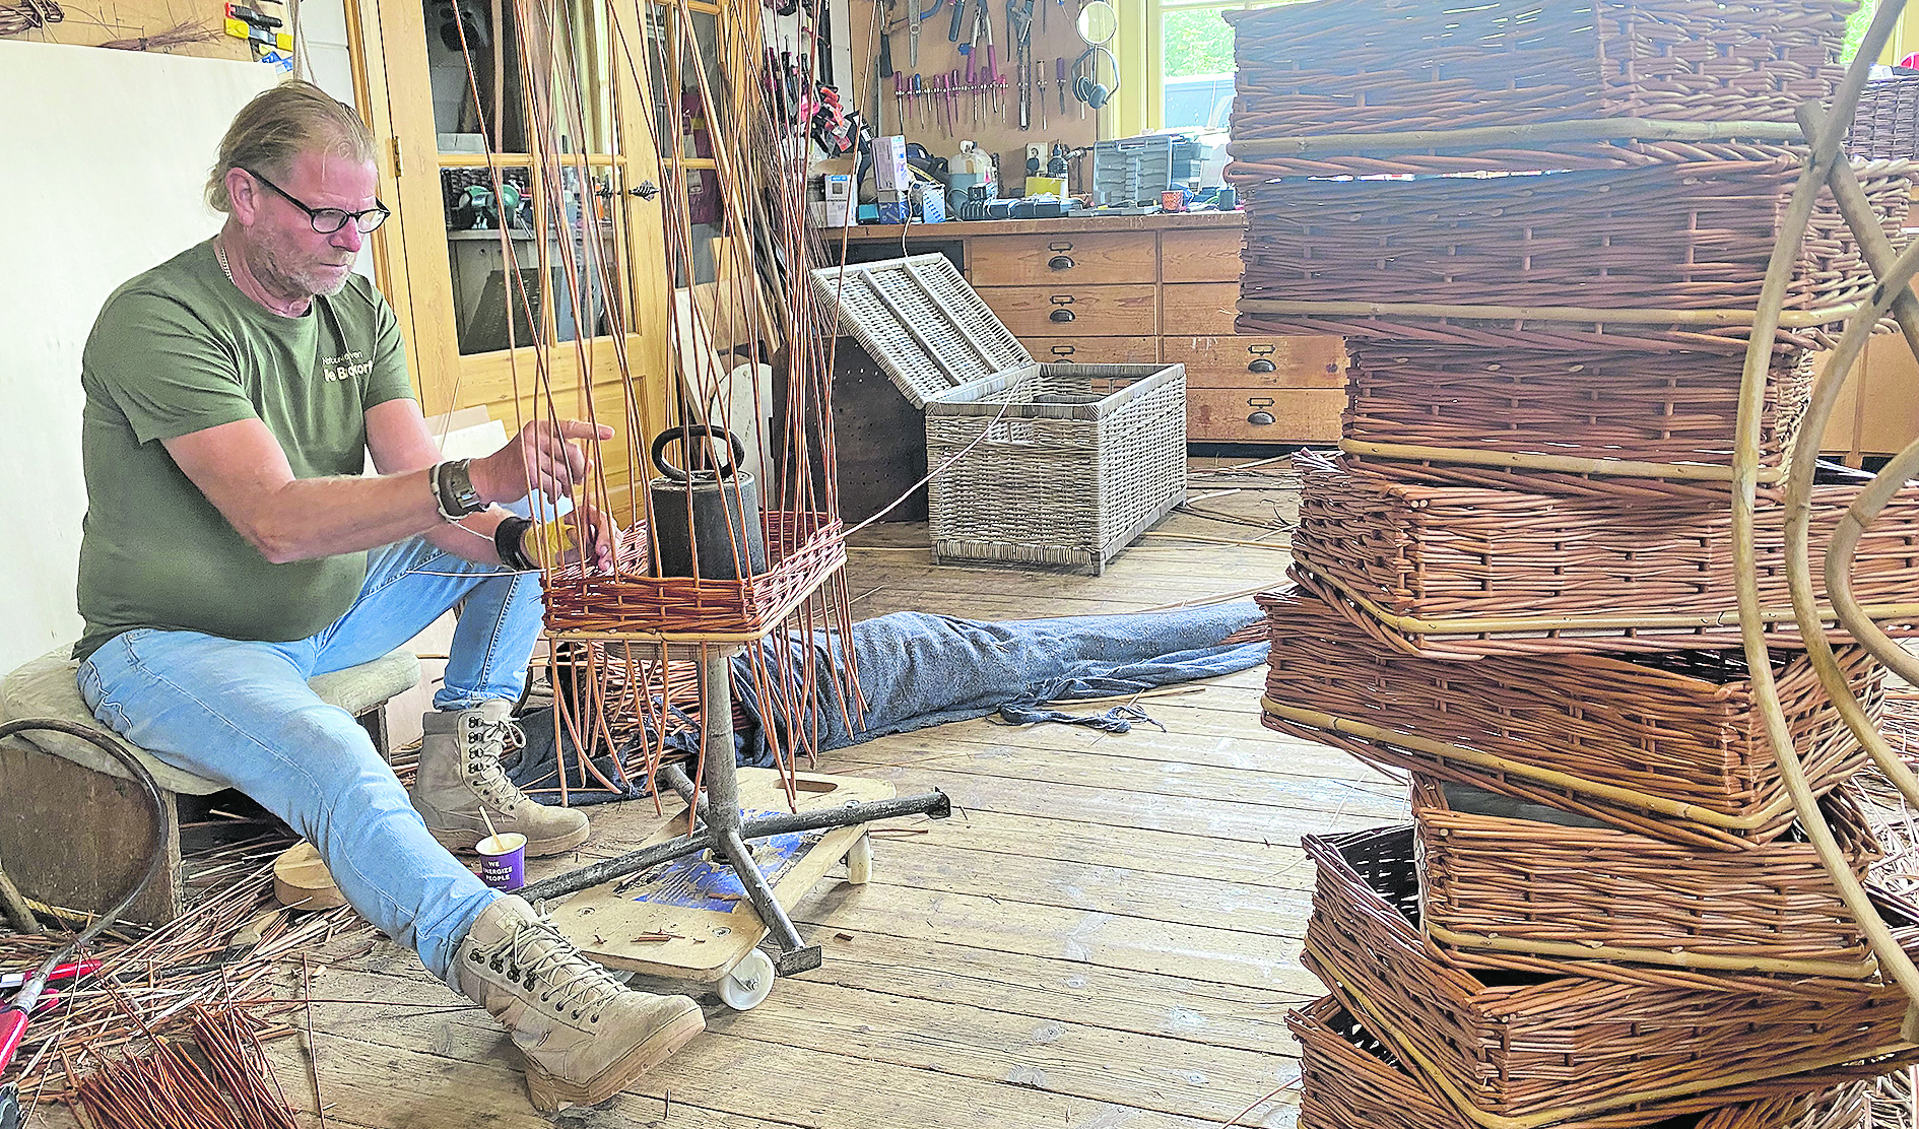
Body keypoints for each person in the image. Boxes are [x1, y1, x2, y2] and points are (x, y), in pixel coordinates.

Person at [70, 79, 702, 1112]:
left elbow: (427, 501)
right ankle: (539, 997)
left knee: (510, 557)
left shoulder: (352, 305)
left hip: (321, 609)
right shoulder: (158, 321)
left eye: (363, 214)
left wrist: (529, 534)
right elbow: (273, 519)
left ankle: (460, 773)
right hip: (172, 646)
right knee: (337, 758)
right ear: (245, 195)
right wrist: (477, 480)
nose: (349, 241)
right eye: (324, 215)